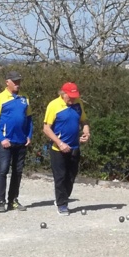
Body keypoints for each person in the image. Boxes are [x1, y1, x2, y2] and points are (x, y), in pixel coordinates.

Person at [43, 82, 90, 216]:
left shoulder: (78, 104)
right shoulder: (54, 105)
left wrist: (86, 132)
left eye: (75, 96)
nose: (73, 99)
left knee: (71, 176)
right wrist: (59, 143)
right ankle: (62, 204)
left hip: (75, 146)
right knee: (60, 176)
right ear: (62, 94)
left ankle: (62, 198)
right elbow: (46, 128)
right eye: (70, 96)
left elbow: (84, 121)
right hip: (58, 148)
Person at [0, 71, 33, 213]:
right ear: (7, 82)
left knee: (18, 172)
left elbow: (29, 119)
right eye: (14, 81)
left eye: (19, 81)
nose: (17, 84)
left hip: (21, 141)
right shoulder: (0, 98)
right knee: (3, 170)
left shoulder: (24, 98)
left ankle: (13, 200)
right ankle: (0, 201)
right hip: (6, 142)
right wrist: (1, 139)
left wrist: (29, 135)